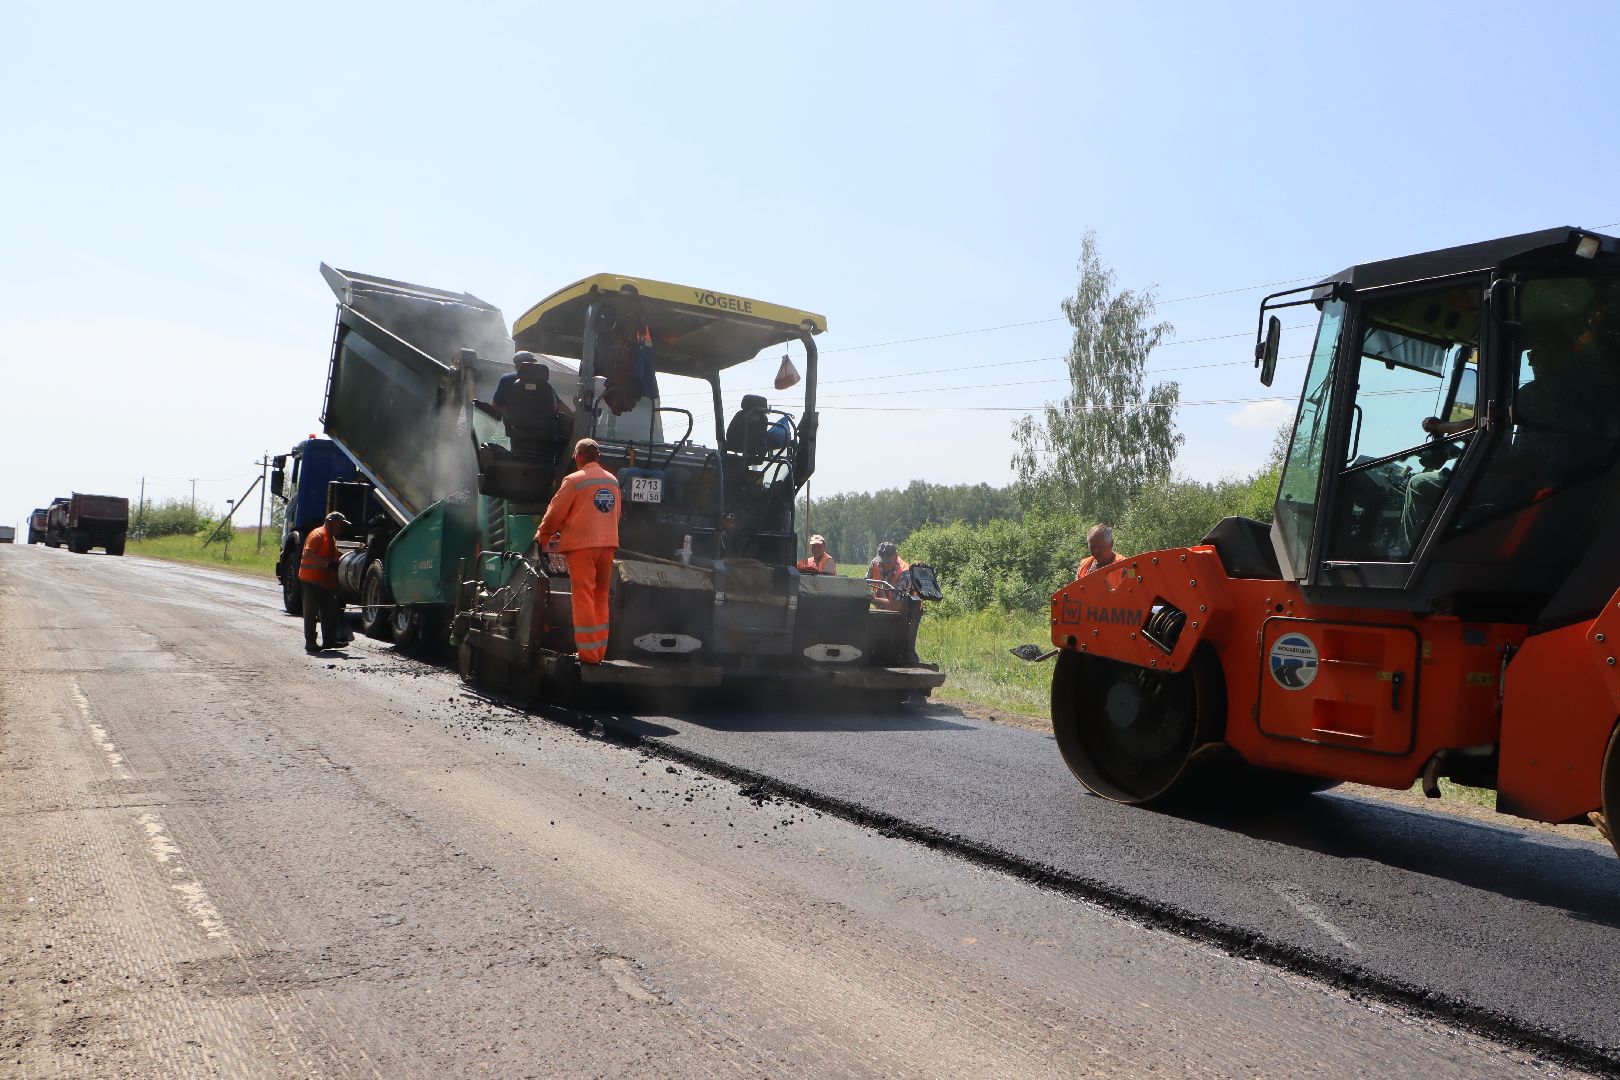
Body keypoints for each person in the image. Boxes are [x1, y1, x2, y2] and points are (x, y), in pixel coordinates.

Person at [535, 438, 621, 664]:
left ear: (578, 456)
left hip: (583, 548)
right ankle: (599, 652)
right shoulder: (612, 481)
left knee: (583, 598)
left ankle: (587, 655)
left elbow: (555, 513)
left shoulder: (574, 481)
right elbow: (616, 515)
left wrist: (543, 536)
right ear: (598, 456)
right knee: (601, 597)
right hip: (608, 546)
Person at [299, 511, 349, 653]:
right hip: (312, 581)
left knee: (329, 612)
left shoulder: (330, 538)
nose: (341, 527)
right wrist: (327, 564)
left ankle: (329, 641)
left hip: (325, 583)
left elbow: (333, 556)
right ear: (331, 522)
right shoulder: (318, 535)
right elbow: (307, 554)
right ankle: (310, 643)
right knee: (311, 613)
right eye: (340, 524)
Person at [866, 540, 911, 611]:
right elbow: (865, 583)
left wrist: (874, 600)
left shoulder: (905, 573)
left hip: (906, 614)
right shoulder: (875, 563)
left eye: (886, 561)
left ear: (895, 557)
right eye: (880, 560)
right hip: (883, 608)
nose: (882, 565)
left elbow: (898, 605)